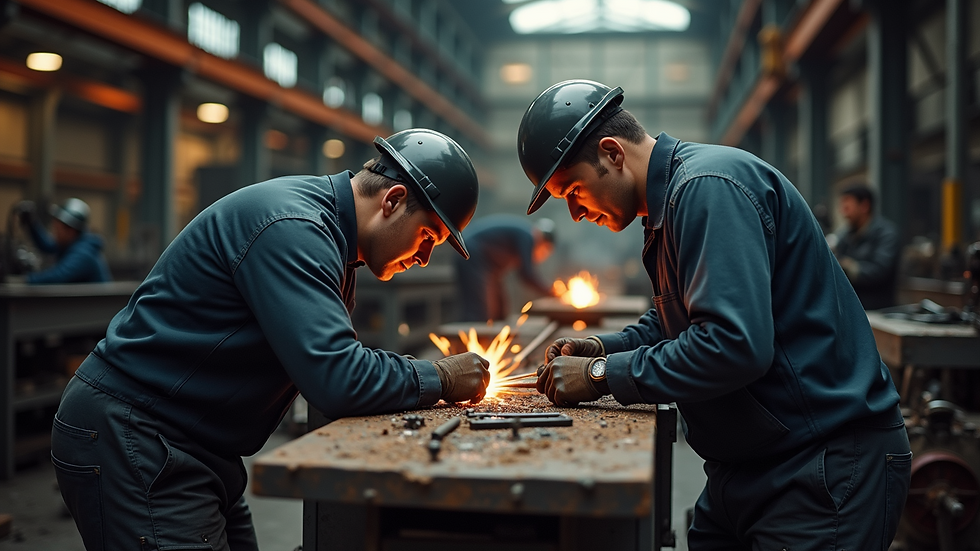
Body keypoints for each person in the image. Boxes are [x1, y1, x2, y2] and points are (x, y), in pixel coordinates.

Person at [51, 128, 491, 551]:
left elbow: (329, 364)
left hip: (197, 446)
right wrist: (441, 376)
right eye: (428, 236)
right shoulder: (294, 227)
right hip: (135, 436)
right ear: (393, 201)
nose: (424, 257)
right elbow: (337, 376)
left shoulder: (333, 241)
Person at [519, 80, 910, 549]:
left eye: (574, 191)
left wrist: (602, 374)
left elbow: (733, 345)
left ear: (612, 153)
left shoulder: (707, 189)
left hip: (821, 468)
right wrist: (604, 346)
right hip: (751, 466)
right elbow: (676, 322)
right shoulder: (666, 208)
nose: (575, 213)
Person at [454, 214, 556, 322]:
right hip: (472, 254)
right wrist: (551, 291)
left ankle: (499, 333)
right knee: (480, 309)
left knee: (499, 309)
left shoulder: (523, 235)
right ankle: (472, 335)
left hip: (487, 264)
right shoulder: (528, 237)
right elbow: (526, 274)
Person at [830, 183, 900, 310]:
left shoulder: (886, 233)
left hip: (877, 310)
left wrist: (849, 267)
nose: (843, 213)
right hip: (853, 308)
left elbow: (880, 270)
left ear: (864, 206)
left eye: (847, 207)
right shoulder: (846, 235)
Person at [15, 197, 112, 284]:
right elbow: (47, 245)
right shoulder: (70, 243)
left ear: (71, 231)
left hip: (95, 304)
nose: (54, 233)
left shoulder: (83, 253)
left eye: (57, 229)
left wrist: (23, 280)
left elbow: (57, 276)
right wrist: (32, 225)